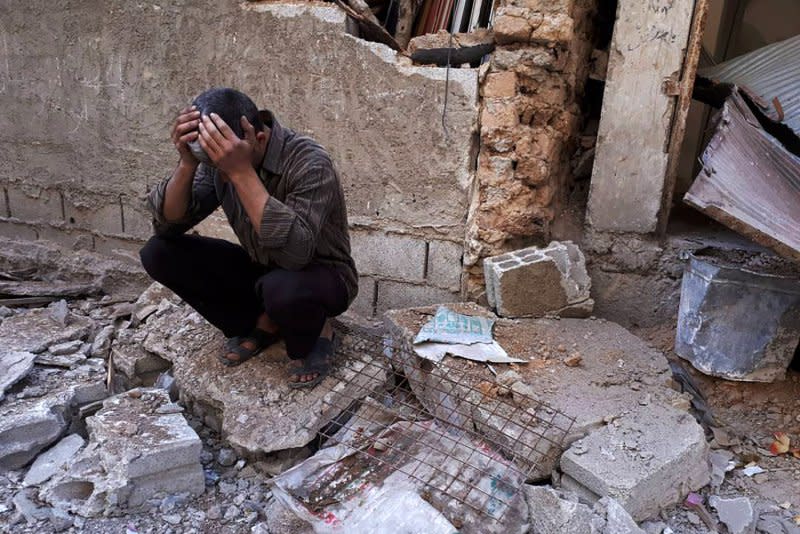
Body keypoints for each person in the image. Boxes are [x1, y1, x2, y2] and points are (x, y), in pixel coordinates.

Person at [139, 87, 357, 388]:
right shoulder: (221, 161)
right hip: (265, 271)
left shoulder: (309, 162)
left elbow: (295, 254)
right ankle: (263, 320)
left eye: (225, 164)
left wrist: (241, 173)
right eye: (217, 165)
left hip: (320, 276)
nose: (221, 173)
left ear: (261, 139)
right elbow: (168, 226)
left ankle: (319, 329)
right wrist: (188, 163)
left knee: (281, 287)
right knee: (159, 253)